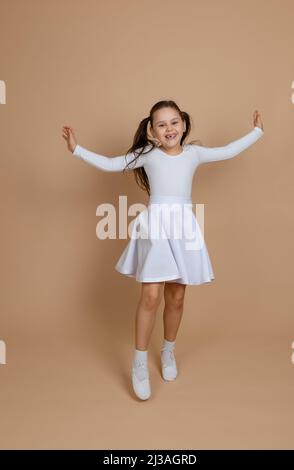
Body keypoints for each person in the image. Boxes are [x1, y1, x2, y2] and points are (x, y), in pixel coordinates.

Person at [62, 100, 264, 401]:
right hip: (156, 227)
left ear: (183, 124)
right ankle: (140, 361)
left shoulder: (194, 153)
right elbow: (112, 163)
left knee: (177, 297)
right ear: (153, 131)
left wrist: (256, 132)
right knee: (151, 295)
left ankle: (168, 351)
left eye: (174, 122)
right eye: (161, 124)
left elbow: (227, 151)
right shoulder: (148, 155)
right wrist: (77, 149)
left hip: (184, 228)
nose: (169, 128)